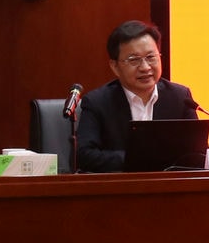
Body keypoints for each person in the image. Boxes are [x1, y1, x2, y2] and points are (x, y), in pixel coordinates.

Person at [74, 20, 197, 172]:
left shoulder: (180, 98)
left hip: (170, 185)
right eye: (134, 60)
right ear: (115, 66)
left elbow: (198, 152)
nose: (145, 67)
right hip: (121, 184)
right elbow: (84, 156)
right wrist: (137, 158)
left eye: (151, 57)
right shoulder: (97, 102)